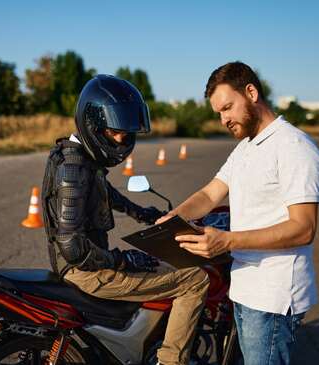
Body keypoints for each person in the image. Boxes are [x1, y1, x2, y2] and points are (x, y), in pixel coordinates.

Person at [157, 62, 319, 365]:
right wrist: (174, 219)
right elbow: (209, 194)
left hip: (274, 297)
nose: (223, 119)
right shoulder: (246, 147)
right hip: (245, 289)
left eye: (228, 107)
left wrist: (227, 241)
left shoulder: (294, 146)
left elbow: (304, 228)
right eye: (218, 112)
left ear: (252, 92)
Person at [42, 74, 209, 365]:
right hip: (88, 272)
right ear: (94, 124)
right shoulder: (74, 169)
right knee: (195, 279)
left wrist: (142, 213)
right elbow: (73, 248)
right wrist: (122, 261)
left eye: (126, 131)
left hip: (90, 265)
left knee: (161, 262)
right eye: (115, 131)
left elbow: (106, 193)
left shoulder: (81, 159)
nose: (123, 138)